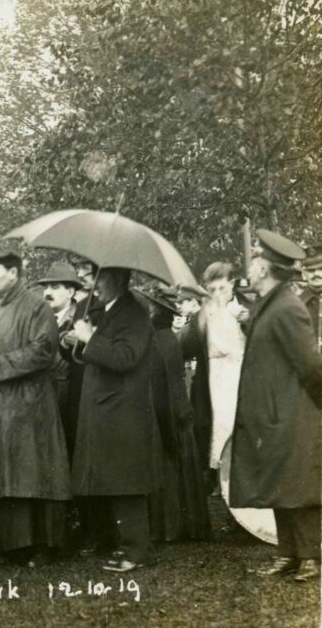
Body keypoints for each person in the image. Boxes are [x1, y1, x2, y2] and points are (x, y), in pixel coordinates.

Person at [0, 252, 72, 565]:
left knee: (36, 475)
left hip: (33, 406)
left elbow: (43, 350)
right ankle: (13, 547)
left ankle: (44, 547)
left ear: (13, 273)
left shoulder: (38, 307)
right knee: (7, 477)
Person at [231, 230, 322, 583]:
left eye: (255, 261)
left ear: (266, 268)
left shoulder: (287, 307)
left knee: (299, 485)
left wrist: (313, 406)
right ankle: (288, 554)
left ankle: (312, 557)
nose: (250, 266)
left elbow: (310, 365)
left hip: (290, 411)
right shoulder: (270, 303)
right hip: (273, 411)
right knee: (280, 482)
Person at [66, 267, 162, 573]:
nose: (92, 284)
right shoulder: (107, 309)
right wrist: (72, 344)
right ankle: (130, 546)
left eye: (99, 277)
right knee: (116, 481)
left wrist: (90, 338)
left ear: (118, 279)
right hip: (107, 408)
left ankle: (138, 551)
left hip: (123, 409)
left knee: (127, 483)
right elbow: (92, 355)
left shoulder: (134, 312)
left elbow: (125, 357)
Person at [136, 287, 211, 543]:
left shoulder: (159, 341)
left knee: (170, 470)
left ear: (158, 312)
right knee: (182, 471)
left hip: (168, 414)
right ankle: (186, 524)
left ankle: (171, 528)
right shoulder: (167, 338)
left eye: (151, 307)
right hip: (177, 411)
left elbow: (162, 386)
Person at [35, 262, 84, 460]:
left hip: (68, 399)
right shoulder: (38, 320)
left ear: (71, 291)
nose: (48, 292)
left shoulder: (81, 320)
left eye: (55, 287)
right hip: (40, 398)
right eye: (46, 287)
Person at [300, 244, 322, 352]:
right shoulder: (296, 304)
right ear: (304, 274)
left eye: (320, 269)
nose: (316, 274)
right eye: (311, 271)